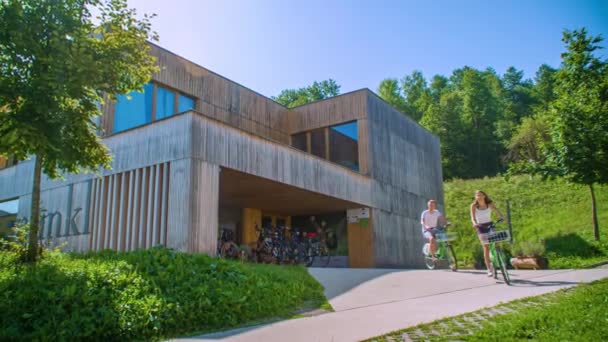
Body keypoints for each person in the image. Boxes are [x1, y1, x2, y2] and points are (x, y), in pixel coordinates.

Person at [470, 190, 505, 277]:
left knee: (497, 240)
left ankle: (499, 258)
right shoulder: (474, 205)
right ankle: (489, 269)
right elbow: (472, 217)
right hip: (480, 227)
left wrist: (502, 217)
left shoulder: (489, 203)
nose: (479, 197)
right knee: (485, 247)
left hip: (490, 224)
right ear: (475, 197)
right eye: (477, 195)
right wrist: (474, 223)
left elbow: (496, 210)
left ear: (484, 196)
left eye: (481, 195)